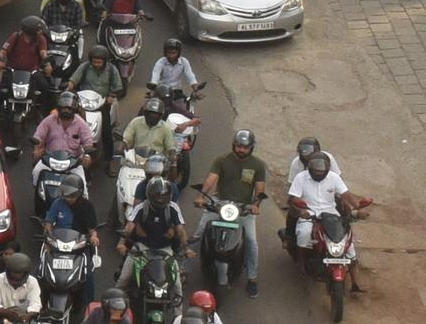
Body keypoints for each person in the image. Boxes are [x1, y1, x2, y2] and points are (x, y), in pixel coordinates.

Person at [191, 129, 266, 298]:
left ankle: (252, 278)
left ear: (251, 148)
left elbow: (260, 189)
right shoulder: (222, 160)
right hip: (220, 203)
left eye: (245, 147)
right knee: (199, 232)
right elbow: (211, 178)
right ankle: (183, 267)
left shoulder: (258, 165)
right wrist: (201, 196)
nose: (241, 149)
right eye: (238, 146)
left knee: (251, 241)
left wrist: (255, 205)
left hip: (244, 208)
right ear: (234, 145)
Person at [287, 152, 370, 292]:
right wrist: (302, 211)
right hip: (310, 213)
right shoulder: (301, 178)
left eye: (322, 168)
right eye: (316, 168)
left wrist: (358, 208)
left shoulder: (334, 177)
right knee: (303, 234)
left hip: (331, 214)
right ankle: (301, 262)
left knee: (349, 245)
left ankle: (355, 283)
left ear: (327, 168)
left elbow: (346, 194)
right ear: (309, 167)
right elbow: (293, 199)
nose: (319, 171)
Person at [115, 178, 192, 303]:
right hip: (142, 248)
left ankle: (178, 318)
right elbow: (129, 226)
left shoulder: (173, 208)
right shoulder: (141, 207)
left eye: (163, 196)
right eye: (157, 196)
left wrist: (186, 248)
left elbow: (180, 230)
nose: (160, 199)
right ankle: (114, 305)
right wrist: (121, 244)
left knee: (177, 286)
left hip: (165, 250)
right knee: (124, 279)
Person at [43, 174, 101, 305]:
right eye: (66, 195)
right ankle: (41, 303)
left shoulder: (87, 206)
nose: (67, 199)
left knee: (89, 275)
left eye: (71, 196)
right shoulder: (58, 203)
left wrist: (93, 237)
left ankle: (89, 305)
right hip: (58, 244)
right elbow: (48, 223)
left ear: (79, 194)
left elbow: (92, 229)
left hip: (79, 246)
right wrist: (48, 235)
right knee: (42, 270)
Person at [282, 137, 341, 249]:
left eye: (310, 152)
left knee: (341, 211)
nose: (306, 155)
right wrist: (294, 200)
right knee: (292, 212)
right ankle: (289, 237)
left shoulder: (328, 159)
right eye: (303, 152)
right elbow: (292, 184)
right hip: (305, 194)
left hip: (325, 191)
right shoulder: (296, 163)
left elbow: (337, 177)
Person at [32, 92, 93, 189]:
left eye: (68, 108)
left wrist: (87, 155)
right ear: (58, 108)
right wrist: (36, 150)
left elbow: (87, 140)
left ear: (74, 109)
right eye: (63, 107)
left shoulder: (81, 124)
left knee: (83, 188)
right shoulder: (49, 120)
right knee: (36, 172)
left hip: (73, 163)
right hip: (50, 160)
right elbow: (38, 135)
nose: (66, 110)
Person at [114, 98, 175, 177]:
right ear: (145, 113)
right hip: (135, 161)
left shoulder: (166, 128)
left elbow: (170, 147)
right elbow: (127, 139)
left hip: (156, 164)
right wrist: (120, 148)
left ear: (160, 115)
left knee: (169, 187)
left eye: (156, 114)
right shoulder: (135, 122)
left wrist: (173, 156)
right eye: (150, 113)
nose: (153, 116)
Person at [0, 252, 42, 322]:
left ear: (25, 273)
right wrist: (8, 313)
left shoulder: (32, 282)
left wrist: (28, 315)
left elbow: (35, 304)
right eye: (14, 272)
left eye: (19, 273)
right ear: (9, 270)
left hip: (24, 319)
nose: (16, 276)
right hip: (2, 317)